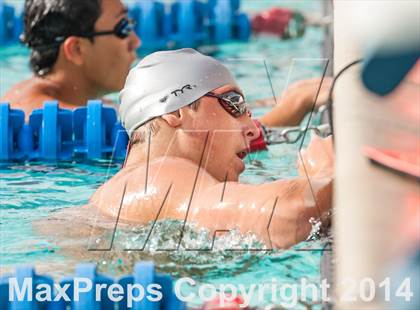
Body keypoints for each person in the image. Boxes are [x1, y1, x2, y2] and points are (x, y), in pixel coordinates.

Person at [88, 49, 333, 249]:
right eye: (234, 103)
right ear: (175, 112)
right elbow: (285, 217)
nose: (253, 130)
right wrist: (327, 170)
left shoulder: (131, 187)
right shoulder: (154, 178)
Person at [0, 0, 331, 127]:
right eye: (122, 29)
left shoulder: (72, 102)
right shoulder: (40, 118)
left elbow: (192, 115)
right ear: (75, 50)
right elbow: (200, 137)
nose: (136, 41)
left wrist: (283, 97)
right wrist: (294, 106)